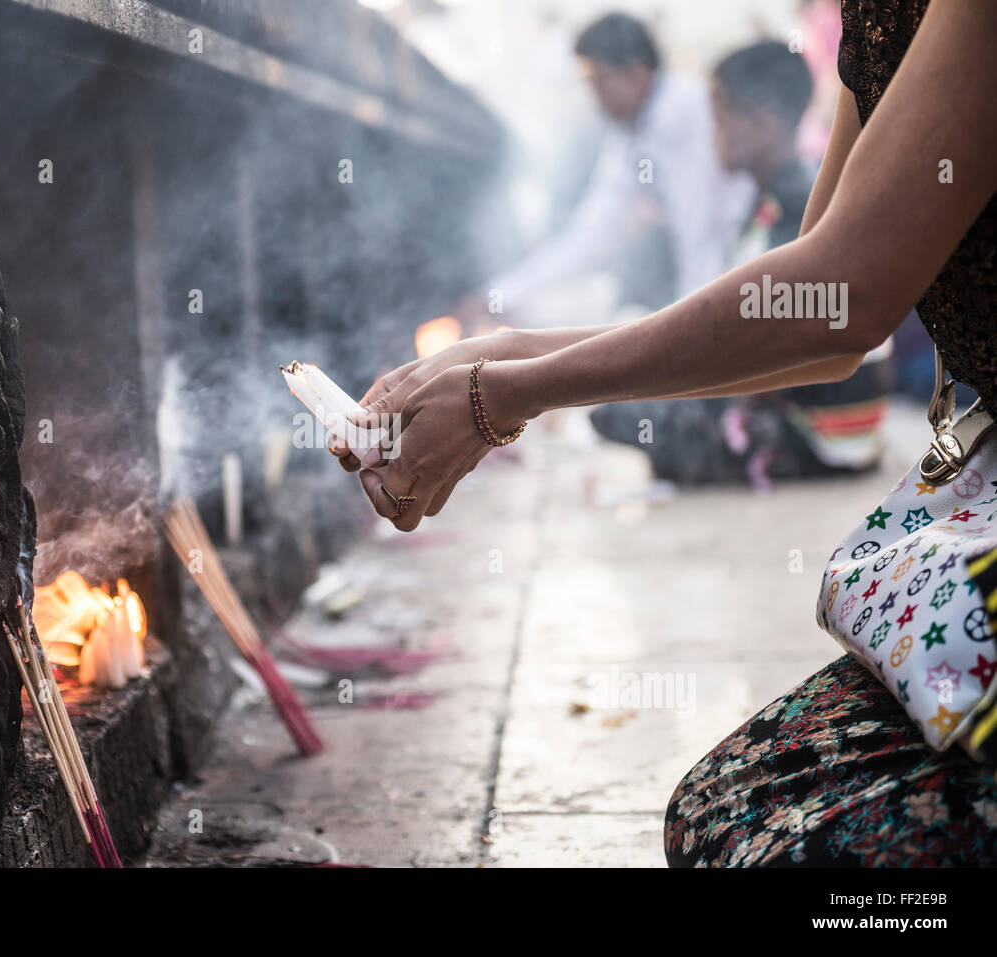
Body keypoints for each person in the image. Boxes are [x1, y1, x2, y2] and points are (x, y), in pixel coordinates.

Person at [332, 0, 997, 865]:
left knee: (778, 851)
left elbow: (836, 299)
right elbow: (812, 307)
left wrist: (509, 391)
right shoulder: (879, 18)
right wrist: (508, 352)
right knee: (715, 813)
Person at [589, 40, 895, 489]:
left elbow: (766, 354)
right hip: (841, 433)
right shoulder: (785, 194)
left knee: (616, 413)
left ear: (760, 125)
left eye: (720, 121)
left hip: (814, 439)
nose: (713, 137)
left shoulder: (792, 209)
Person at [487, 12, 753, 320]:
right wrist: (503, 293)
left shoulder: (692, 115)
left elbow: (709, 236)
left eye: (600, 83)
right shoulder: (633, 134)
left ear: (636, 74)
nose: (596, 99)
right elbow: (595, 229)